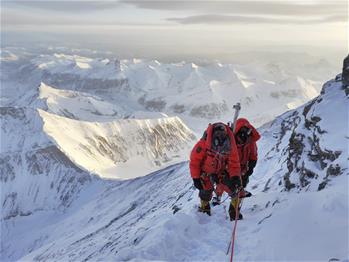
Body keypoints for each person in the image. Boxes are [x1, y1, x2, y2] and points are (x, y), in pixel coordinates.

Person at [189, 122, 242, 216]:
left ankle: (234, 211)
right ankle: (205, 210)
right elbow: (194, 162)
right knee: (205, 191)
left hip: (220, 172)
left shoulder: (230, 146)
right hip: (205, 172)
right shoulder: (203, 144)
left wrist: (235, 176)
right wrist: (196, 178)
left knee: (233, 188)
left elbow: (234, 163)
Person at [219, 118, 260, 220]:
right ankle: (221, 200)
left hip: (242, 168)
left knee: (240, 188)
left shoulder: (250, 141)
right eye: (239, 140)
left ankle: (234, 210)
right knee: (231, 188)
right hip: (229, 169)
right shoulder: (228, 142)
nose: (241, 142)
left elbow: (253, 155)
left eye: (244, 140)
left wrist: (251, 167)